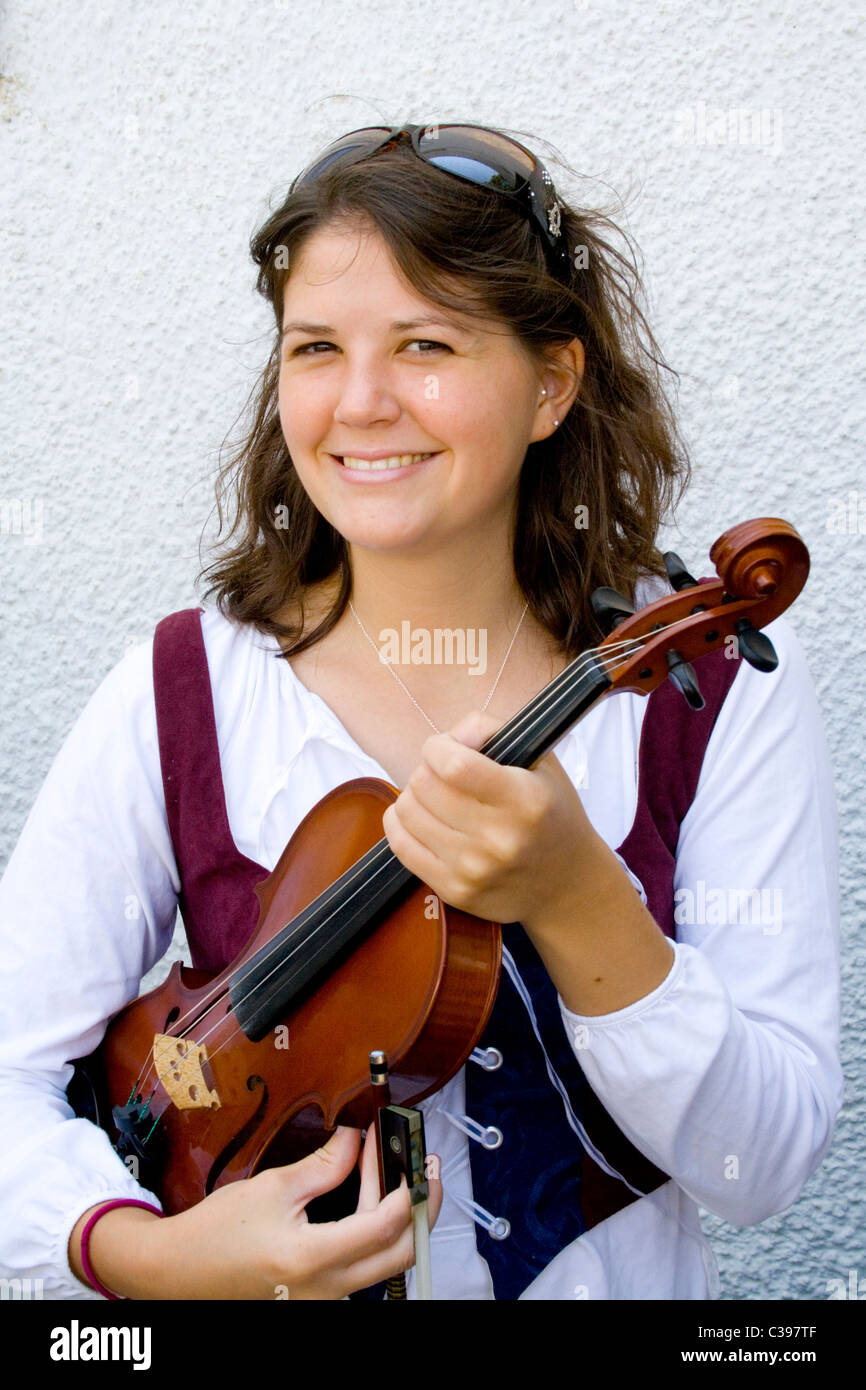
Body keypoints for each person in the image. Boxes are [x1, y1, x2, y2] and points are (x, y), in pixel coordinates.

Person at [0, 123, 842, 1301]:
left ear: (552, 382)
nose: (359, 403)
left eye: (425, 344)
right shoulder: (180, 687)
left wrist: (576, 898)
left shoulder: (710, 688)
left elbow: (767, 1164)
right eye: (314, 348)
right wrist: (141, 1253)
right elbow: (10, 1075)